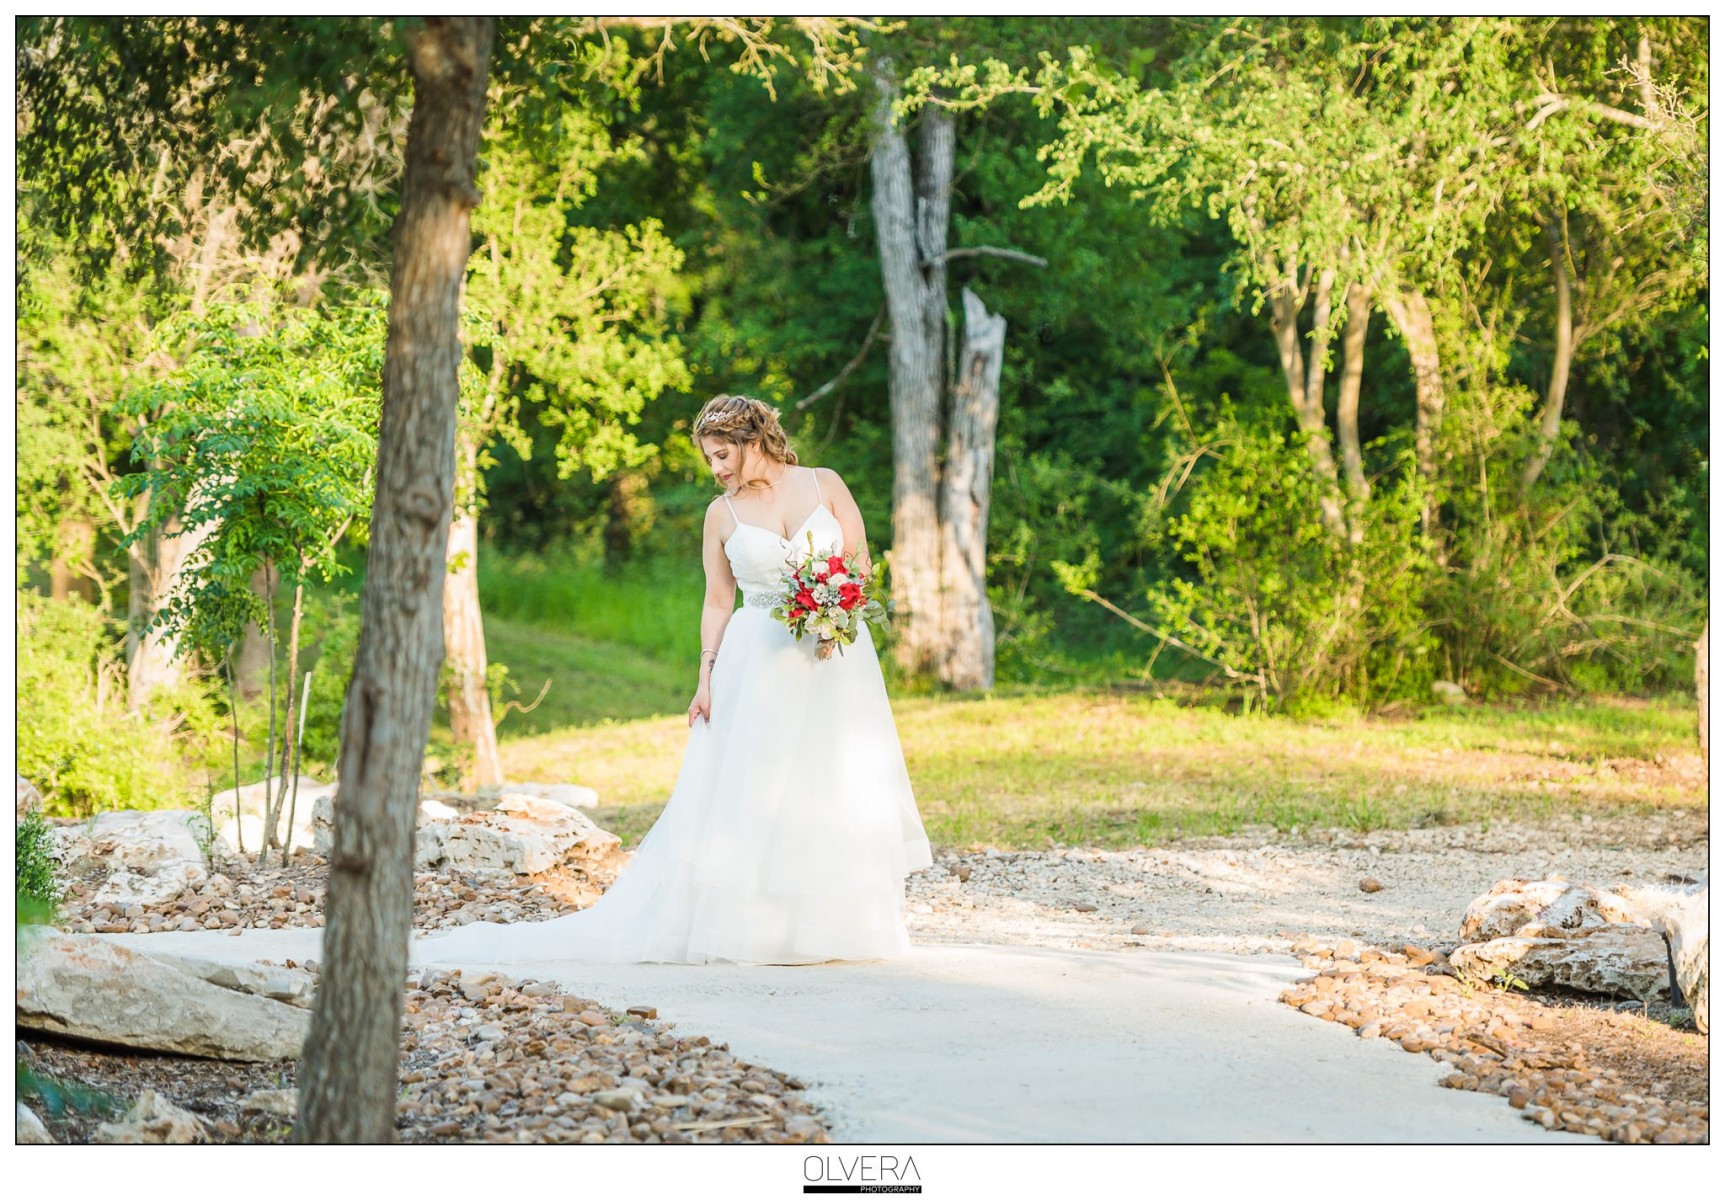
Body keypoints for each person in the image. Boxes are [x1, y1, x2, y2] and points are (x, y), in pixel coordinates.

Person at [414, 394, 933, 966]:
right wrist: (705, 675)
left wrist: (840, 611)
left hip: (834, 659)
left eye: (721, 455)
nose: (716, 469)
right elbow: (717, 601)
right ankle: (755, 930)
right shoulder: (722, 514)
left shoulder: (824, 484)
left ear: (752, 441)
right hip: (756, 660)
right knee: (753, 787)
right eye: (710, 459)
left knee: (832, 780)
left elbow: (857, 563)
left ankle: (835, 929)